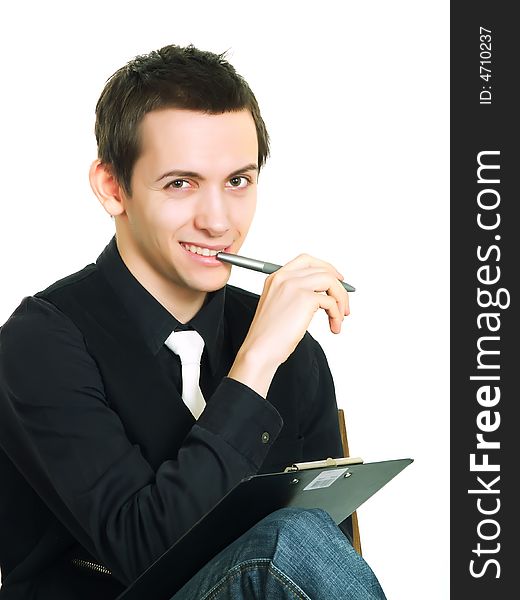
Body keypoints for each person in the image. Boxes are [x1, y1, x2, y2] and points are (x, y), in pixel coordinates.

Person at [0, 44, 387, 599]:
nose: (218, 221)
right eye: (181, 184)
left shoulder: (292, 351)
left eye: (238, 182)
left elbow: (331, 557)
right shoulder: (40, 343)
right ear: (113, 187)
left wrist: (273, 354)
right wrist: (253, 367)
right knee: (293, 537)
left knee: (305, 534)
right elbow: (146, 555)